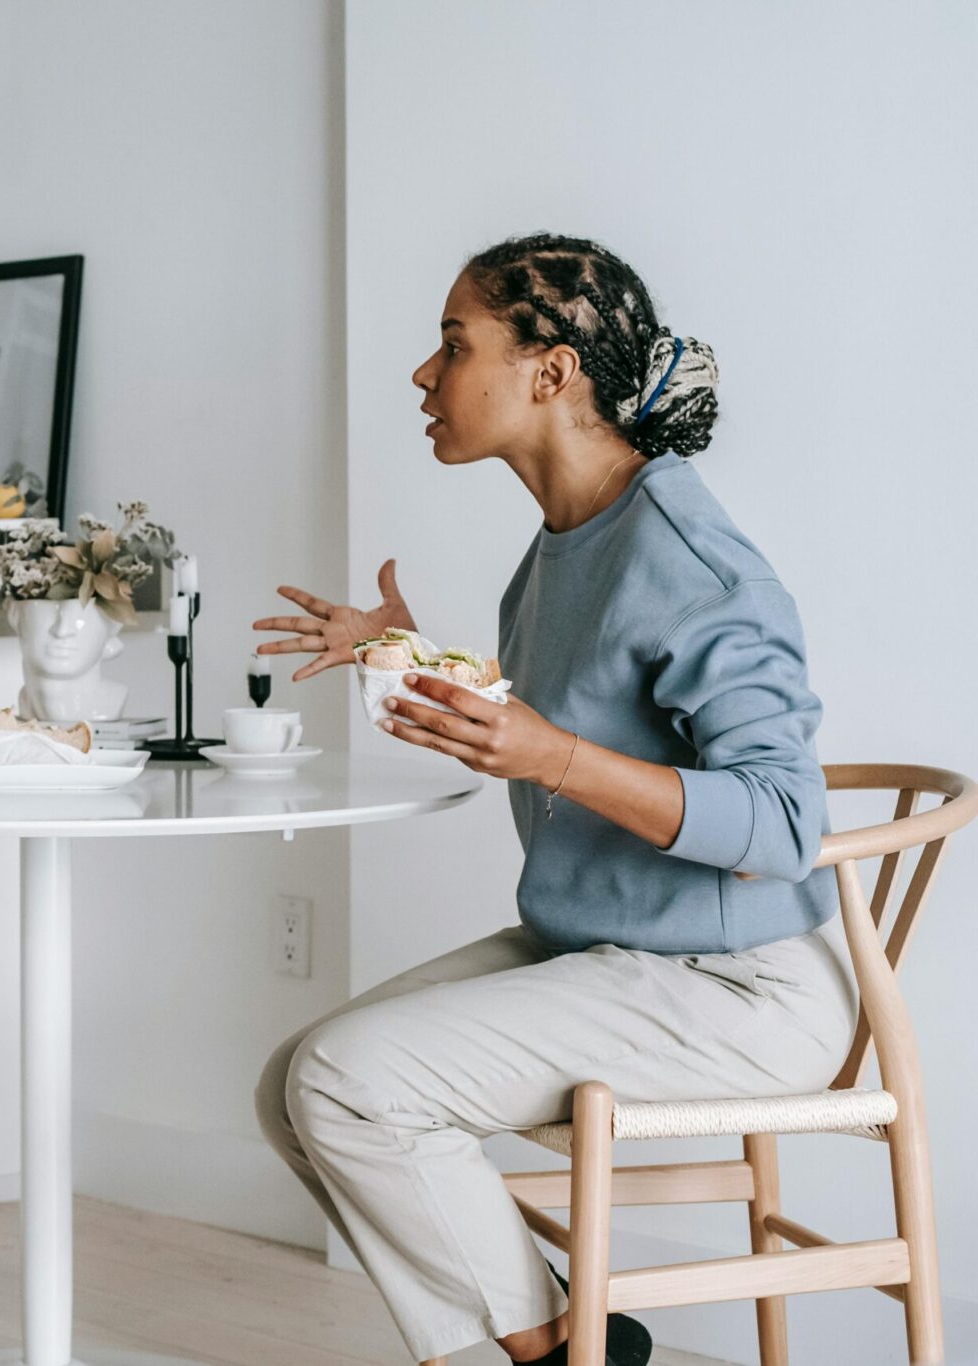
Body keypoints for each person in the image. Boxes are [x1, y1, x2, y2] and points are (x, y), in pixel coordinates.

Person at [251, 235, 854, 1366]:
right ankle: (574, 1345)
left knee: (345, 1083)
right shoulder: (567, 540)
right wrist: (407, 650)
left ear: (550, 369)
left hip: (732, 985)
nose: (423, 379)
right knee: (291, 1084)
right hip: (610, 946)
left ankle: (558, 1356)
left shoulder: (687, 556)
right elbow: (574, 711)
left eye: (450, 345)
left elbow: (781, 828)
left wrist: (552, 757)